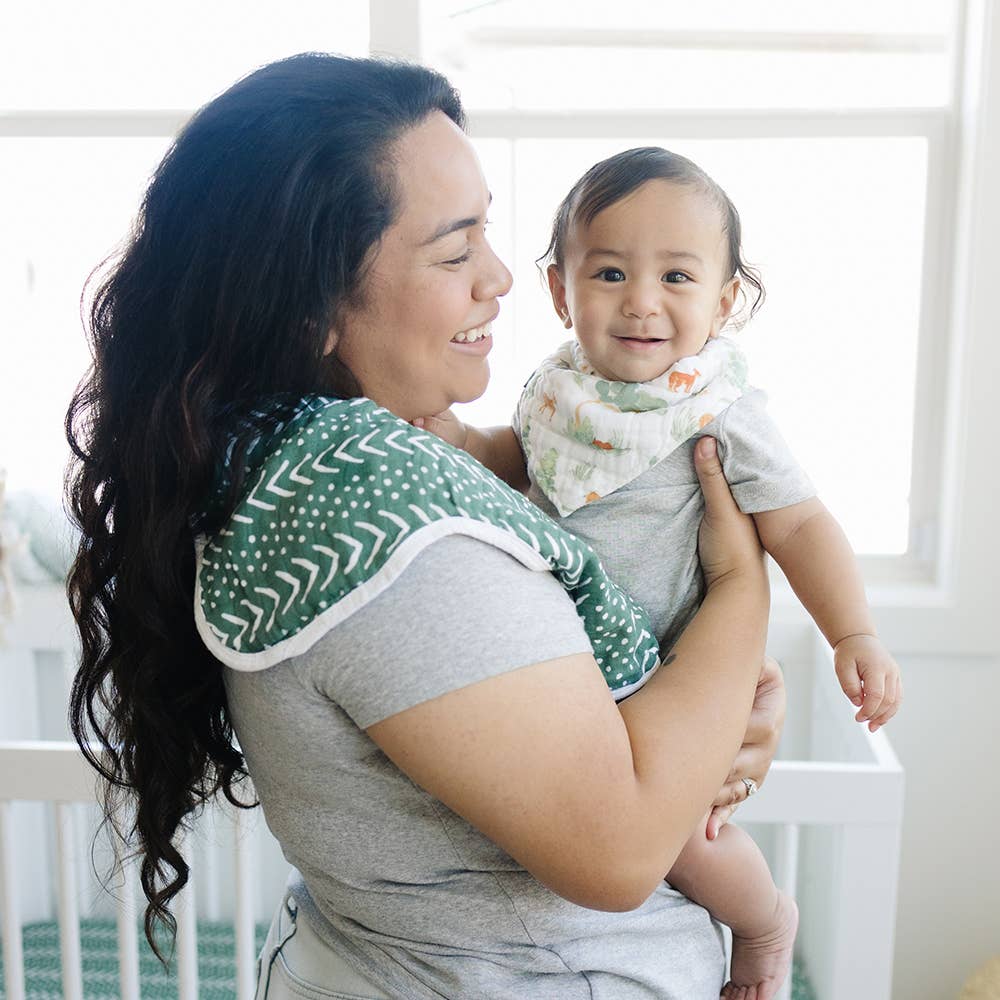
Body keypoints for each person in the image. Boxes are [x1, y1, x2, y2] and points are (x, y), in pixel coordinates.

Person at [66, 54, 786, 999]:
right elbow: (617, 850)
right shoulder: (381, 518)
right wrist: (740, 591)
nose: (500, 279)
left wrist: (706, 702)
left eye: (487, 231)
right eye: (454, 253)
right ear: (312, 306)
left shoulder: (308, 465)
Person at [417, 146, 905, 997]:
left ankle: (762, 922)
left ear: (723, 303)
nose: (642, 301)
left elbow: (800, 524)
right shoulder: (556, 392)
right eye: (609, 272)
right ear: (560, 291)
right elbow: (524, 463)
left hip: (669, 669)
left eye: (677, 277)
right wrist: (463, 444)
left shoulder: (718, 411)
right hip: (571, 664)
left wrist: (852, 632)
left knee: (682, 835)